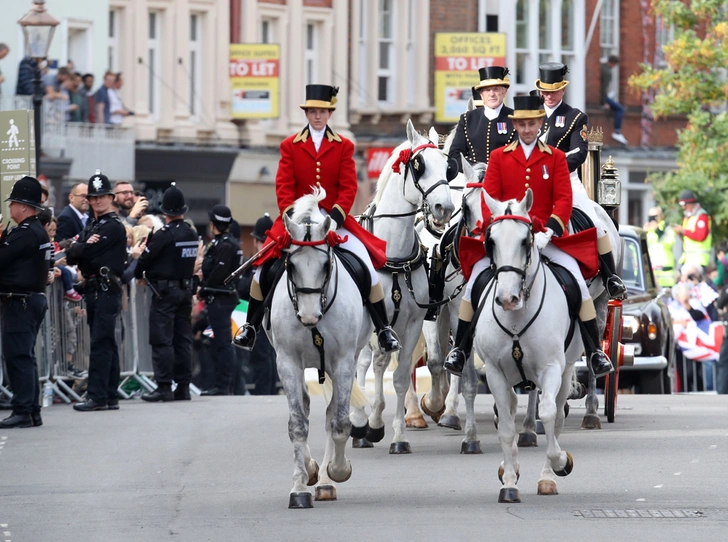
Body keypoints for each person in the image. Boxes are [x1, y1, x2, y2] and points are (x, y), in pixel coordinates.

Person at [444, 94, 614, 379]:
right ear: (515, 124)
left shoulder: (556, 158)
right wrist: (497, 228)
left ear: (539, 124)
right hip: (509, 240)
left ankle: (595, 351)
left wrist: (550, 229)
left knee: (580, 287)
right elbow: (490, 196)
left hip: (547, 237)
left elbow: (563, 199)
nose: (526, 129)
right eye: (521, 124)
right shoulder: (499, 158)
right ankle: (460, 349)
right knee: (473, 284)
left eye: (532, 123)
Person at [234, 84, 399, 353]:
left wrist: (334, 217)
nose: (317, 116)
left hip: (334, 220)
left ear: (329, 113)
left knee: (367, 268)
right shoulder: (290, 145)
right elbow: (284, 186)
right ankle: (250, 328)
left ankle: (383, 330)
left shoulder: (344, 145)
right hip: (297, 219)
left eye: (322, 111)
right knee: (262, 270)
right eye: (312, 111)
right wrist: (292, 217)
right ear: (307, 113)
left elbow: (348, 187)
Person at [536, 62, 626, 300]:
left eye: (553, 91)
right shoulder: (529, 115)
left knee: (596, 223)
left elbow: (579, 153)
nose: (549, 96)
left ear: (562, 90)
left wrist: (550, 169)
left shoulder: (575, 117)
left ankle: (610, 277)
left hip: (566, 181)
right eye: (545, 92)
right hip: (531, 183)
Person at [67, 171, 127, 412]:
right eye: (94, 197)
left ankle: (98, 396)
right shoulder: (92, 224)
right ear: (89, 200)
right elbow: (73, 252)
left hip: (105, 288)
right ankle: (109, 395)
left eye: (103, 196)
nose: (98, 200)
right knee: (107, 343)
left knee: (102, 343)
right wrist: (80, 246)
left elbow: (86, 253)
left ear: (111, 198)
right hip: (95, 289)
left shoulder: (112, 227)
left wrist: (80, 247)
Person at [135, 184, 199, 402]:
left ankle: (163, 387)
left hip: (165, 293)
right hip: (184, 291)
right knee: (183, 341)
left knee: (162, 340)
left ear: (165, 212)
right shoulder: (190, 232)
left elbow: (145, 259)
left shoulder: (164, 234)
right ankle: (183, 387)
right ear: (183, 210)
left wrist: (139, 272)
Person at [0, 177, 51, 428]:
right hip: (31, 300)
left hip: (20, 301)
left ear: (23, 206)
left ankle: (23, 410)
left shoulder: (24, 233)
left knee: (18, 356)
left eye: (13, 204)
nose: (10, 208)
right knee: (25, 356)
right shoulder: (37, 230)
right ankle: (31, 410)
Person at [198, 205, 243, 396]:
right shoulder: (222, 243)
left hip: (221, 299)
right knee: (221, 343)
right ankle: (222, 384)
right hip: (219, 298)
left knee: (223, 343)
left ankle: (224, 386)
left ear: (213, 223)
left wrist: (204, 287)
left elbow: (219, 273)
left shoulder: (225, 245)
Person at [237, 213, 278, 395]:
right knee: (267, 357)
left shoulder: (262, 265)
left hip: (262, 315)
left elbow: (244, 288)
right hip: (268, 316)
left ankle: (264, 392)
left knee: (263, 357)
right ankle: (267, 390)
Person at [448, 66, 515, 168]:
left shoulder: (515, 118)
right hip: (473, 180)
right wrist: (476, 169)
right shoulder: (467, 119)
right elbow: (454, 155)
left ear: (504, 92)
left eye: (496, 89)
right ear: (481, 94)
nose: (492, 94)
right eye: (487, 90)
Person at [675, 189, 712, 270]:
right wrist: (680, 234)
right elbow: (688, 238)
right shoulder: (688, 218)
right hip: (689, 259)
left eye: (684, 205)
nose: (683, 207)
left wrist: (683, 231)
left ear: (689, 204)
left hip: (699, 260)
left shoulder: (702, 216)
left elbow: (701, 236)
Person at [644, 206, 677, 287]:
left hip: (665, 274)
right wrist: (643, 232)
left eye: (655, 216)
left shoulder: (667, 228)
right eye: (650, 217)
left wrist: (658, 231)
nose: (652, 219)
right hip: (652, 273)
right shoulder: (648, 230)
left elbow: (669, 242)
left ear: (661, 216)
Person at [601, 55, 628, 145]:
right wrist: (604, 102)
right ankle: (617, 131)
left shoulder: (602, 67)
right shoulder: (607, 72)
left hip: (604, 96)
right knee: (620, 109)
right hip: (603, 97)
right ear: (613, 63)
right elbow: (603, 87)